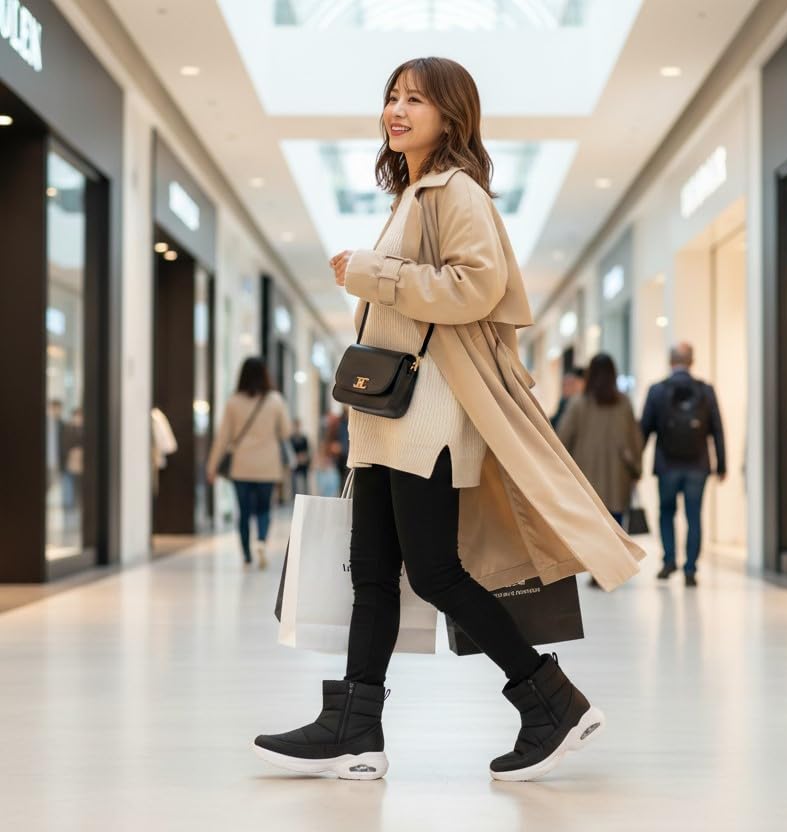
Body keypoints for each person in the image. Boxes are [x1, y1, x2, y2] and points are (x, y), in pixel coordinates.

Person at [253, 57, 644, 782]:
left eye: (415, 100)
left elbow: (476, 286)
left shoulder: (455, 191)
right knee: (373, 572)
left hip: (425, 418)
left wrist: (372, 273)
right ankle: (355, 726)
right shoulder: (411, 194)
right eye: (391, 98)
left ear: (450, 114)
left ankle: (550, 701)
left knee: (433, 572)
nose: (396, 111)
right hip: (384, 418)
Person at [640, 342, 726, 587]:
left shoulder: (657, 390)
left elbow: (644, 429)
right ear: (692, 361)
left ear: (670, 361)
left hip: (666, 465)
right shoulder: (705, 391)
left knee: (666, 513)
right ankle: (690, 568)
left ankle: (668, 561)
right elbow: (717, 429)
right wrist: (722, 465)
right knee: (694, 515)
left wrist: (635, 465)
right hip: (698, 465)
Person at [558, 354, 642, 586]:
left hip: (587, 477)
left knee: (594, 525)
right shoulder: (623, 403)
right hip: (618, 476)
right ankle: (613, 567)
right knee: (615, 522)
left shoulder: (578, 404)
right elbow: (634, 440)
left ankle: (599, 570)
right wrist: (636, 468)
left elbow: (562, 438)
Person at [207, 357, 291, 569]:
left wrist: (212, 466)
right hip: (268, 466)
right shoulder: (275, 400)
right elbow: (286, 431)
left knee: (244, 513)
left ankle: (246, 556)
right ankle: (261, 540)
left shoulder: (234, 402)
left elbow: (223, 437)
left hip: (241, 466)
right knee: (264, 509)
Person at [550, 367, 585, 433]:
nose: (565, 388)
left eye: (570, 384)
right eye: (564, 385)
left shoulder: (579, 405)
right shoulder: (564, 402)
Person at [288, 419, 311, 496]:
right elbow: (290, 451)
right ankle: (294, 496)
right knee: (294, 481)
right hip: (295, 462)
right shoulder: (291, 438)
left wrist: (303, 457)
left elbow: (307, 450)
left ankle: (305, 495)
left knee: (305, 481)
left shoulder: (304, 438)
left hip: (303, 462)